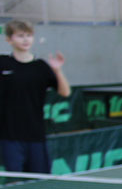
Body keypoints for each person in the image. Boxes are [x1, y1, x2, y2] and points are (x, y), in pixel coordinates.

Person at [0, 20, 70, 173]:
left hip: (36, 135)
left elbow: (65, 92)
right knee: (15, 181)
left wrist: (58, 71)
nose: (26, 39)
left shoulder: (41, 66)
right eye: (20, 36)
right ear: (9, 39)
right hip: (9, 136)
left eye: (29, 35)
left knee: (40, 181)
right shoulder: (3, 63)